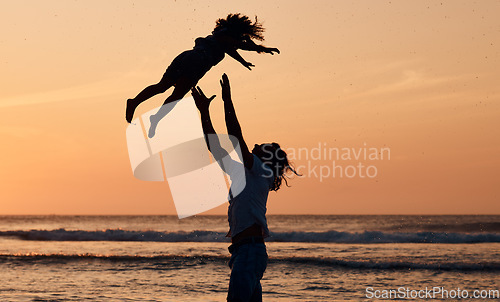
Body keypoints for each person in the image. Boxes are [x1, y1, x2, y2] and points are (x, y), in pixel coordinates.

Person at [191, 74, 298, 302]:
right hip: (244, 252)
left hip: (249, 252)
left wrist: (227, 100)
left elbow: (236, 136)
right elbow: (215, 146)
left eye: (262, 146)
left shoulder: (260, 169)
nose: (257, 145)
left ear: (267, 157)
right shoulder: (246, 173)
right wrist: (204, 112)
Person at [125, 13, 280, 138]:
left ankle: (136, 103)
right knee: (176, 95)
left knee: (162, 86)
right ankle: (155, 118)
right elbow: (238, 46)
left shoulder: (219, 36)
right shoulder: (226, 38)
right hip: (197, 62)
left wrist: (244, 61)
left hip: (187, 56)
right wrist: (261, 50)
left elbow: (233, 49)